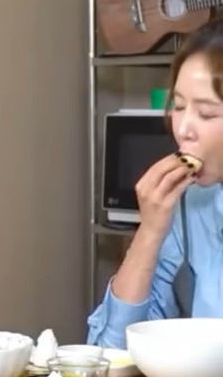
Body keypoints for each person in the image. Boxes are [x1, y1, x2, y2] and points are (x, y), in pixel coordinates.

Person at [87, 18, 223, 348]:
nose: (183, 130)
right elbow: (110, 354)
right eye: (178, 106)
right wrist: (149, 232)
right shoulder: (189, 207)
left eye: (207, 113)